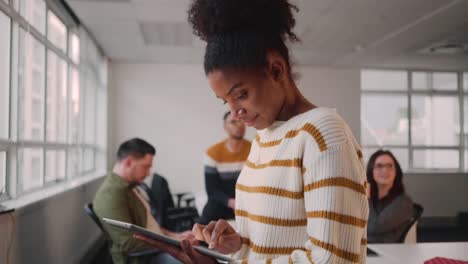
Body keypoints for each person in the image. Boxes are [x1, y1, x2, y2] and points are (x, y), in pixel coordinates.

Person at [135, 0, 369, 263]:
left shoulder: (323, 133)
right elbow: (271, 242)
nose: (235, 113)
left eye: (241, 95)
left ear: (276, 69)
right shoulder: (264, 137)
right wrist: (234, 243)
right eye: (226, 102)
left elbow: (332, 259)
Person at [93, 138, 194, 264]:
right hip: (143, 258)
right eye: (145, 167)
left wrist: (176, 236)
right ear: (128, 162)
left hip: (156, 248)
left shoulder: (131, 187)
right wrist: (176, 243)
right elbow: (128, 243)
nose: (148, 173)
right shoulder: (111, 194)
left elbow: (149, 226)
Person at [199, 111, 251, 224]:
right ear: (225, 127)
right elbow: (212, 190)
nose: (239, 124)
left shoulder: (255, 149)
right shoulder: (213, 153)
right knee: (208, 215)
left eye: (242, 120)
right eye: (233, 122)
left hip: (248, 200)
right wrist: (231, 202)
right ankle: (199, 240)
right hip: (224, 202)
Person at [366, 150, 414, 243]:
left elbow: (372, 227)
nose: (385, 170)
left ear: (396, 172)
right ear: (371, 171)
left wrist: (366, 199)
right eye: (379, 166)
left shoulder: (404, 202)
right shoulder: (372, 199)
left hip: (381, 254)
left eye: (390, 166)